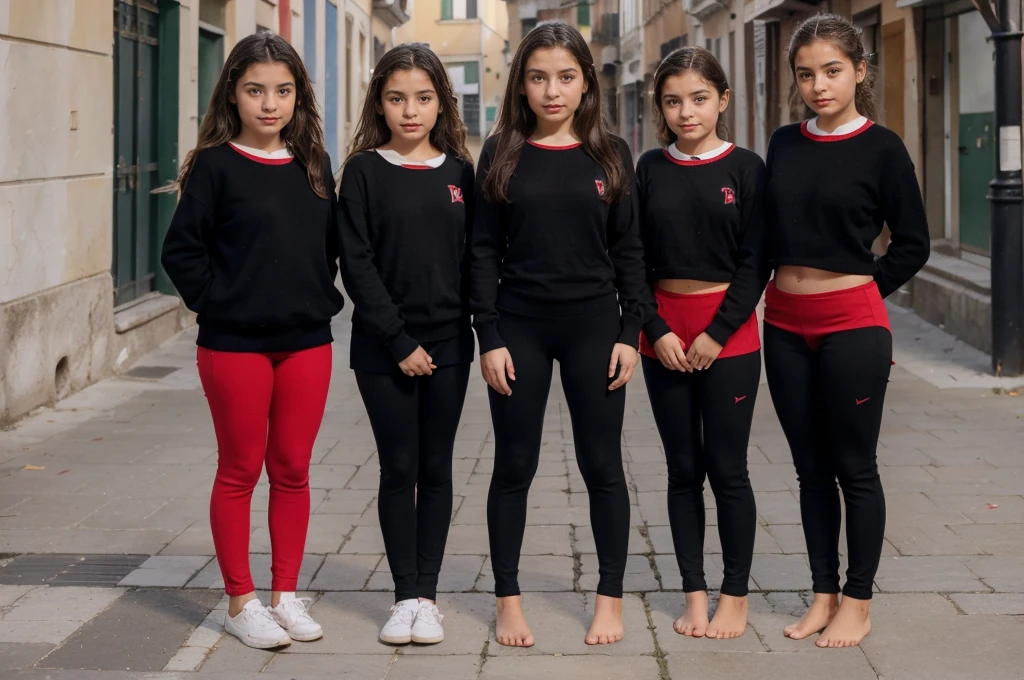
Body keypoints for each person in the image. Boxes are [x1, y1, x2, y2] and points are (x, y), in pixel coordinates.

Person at [470, 21, 656, 647]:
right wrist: (488, 335)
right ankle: (507, 599)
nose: (553, 90)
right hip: (519, 327)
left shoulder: (611, 155)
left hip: (594, 330)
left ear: (586, 83)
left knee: (602, 465)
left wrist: (631, 332)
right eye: (539, 77)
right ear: (522, 85)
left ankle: (610, 598)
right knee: (513, 465)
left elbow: (631, 252)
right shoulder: (500, 153)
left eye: (566, 77)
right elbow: (481, 253)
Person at [161, 32, 342, 649]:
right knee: (240, 469)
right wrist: (224, 304)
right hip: (233, 346)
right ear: (233, 95)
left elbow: (330, 248)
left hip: (308, 343)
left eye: (283, 91)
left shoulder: (314, 164)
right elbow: (180, 252)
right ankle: (241, 601)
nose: (270, 103)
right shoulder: (215, 165)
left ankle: (286, 594)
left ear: (298, 97)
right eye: (255, 90)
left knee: (292, 468)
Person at [762, 13, 930, 648]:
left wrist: (863, 293)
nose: (819, 85)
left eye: (832, 71)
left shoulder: (882, 147)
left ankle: (859, 599)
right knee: (809, 470)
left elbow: (914, 243)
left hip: (852, 325)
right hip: (782, 323)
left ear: (860, 71)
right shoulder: (783, 143)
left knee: (853, 466)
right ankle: (823, 592)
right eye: (806, 75)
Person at [336, 43, 475, 646]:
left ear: (441, 103)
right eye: (397, 99)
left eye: (423, 98)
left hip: (450, 345)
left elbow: (476, 262)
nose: (410, 111)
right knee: (399, 469)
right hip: (382, 349)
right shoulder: (363, 172)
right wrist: (396, 339)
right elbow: (356, 263)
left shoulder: (461, 175)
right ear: (380, 104)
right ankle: (402, 596)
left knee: (437, 468)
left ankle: (429, 597)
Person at [637, 46, 769, 641]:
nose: (686, 112)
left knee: (728, 469)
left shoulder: (746, 168)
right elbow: (630, 258)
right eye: (672, 101)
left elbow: (755, 261)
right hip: (662, 333)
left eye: (697, 98)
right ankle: (694, 593)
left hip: (730, 335)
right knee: (681, 469)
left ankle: (734, 595)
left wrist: (718, 333)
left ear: (722, 99)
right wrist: (655, 329)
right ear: (660, 108)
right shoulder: (648, 169)